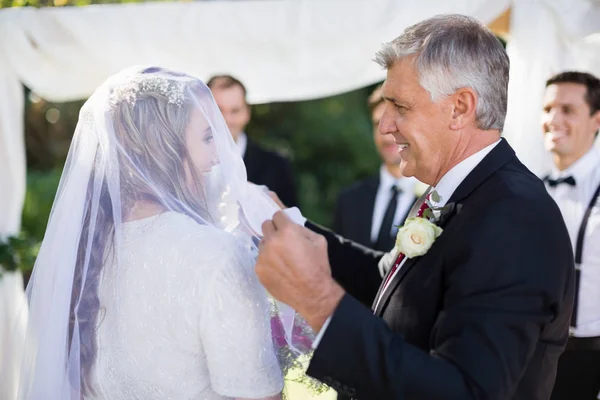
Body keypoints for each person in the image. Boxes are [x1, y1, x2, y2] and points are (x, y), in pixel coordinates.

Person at [256, 14, 575, 399]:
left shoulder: (514, 218)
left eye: (400, 106)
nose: (384, 126)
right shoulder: (455, 190)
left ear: (460, 107)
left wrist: (319, 302)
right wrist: (286, 223)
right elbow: (392, 287)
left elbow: (465, 391)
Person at [0, 66, 313, 399]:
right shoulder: (218, 256)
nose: (219, 153)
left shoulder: (86, 252)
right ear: (168, 147)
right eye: (208, 137)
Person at [541, 71, 600, 400]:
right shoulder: (530, 188)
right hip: (532, 357)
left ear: (596, 120)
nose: (553, 119)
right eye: (548, 108)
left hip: (589, 360)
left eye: (567, 110)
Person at [333, 84, 419, 251]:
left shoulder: (438, 198)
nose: (386, 135)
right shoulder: (349, 200)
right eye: (378, 123)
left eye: (394, 123)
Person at [207, 75, 298, 207]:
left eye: (235, 111)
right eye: (218, 110)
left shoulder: (276, 166)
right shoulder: (181, 162)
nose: (226, 120)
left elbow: (294, 223)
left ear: (247, 113)